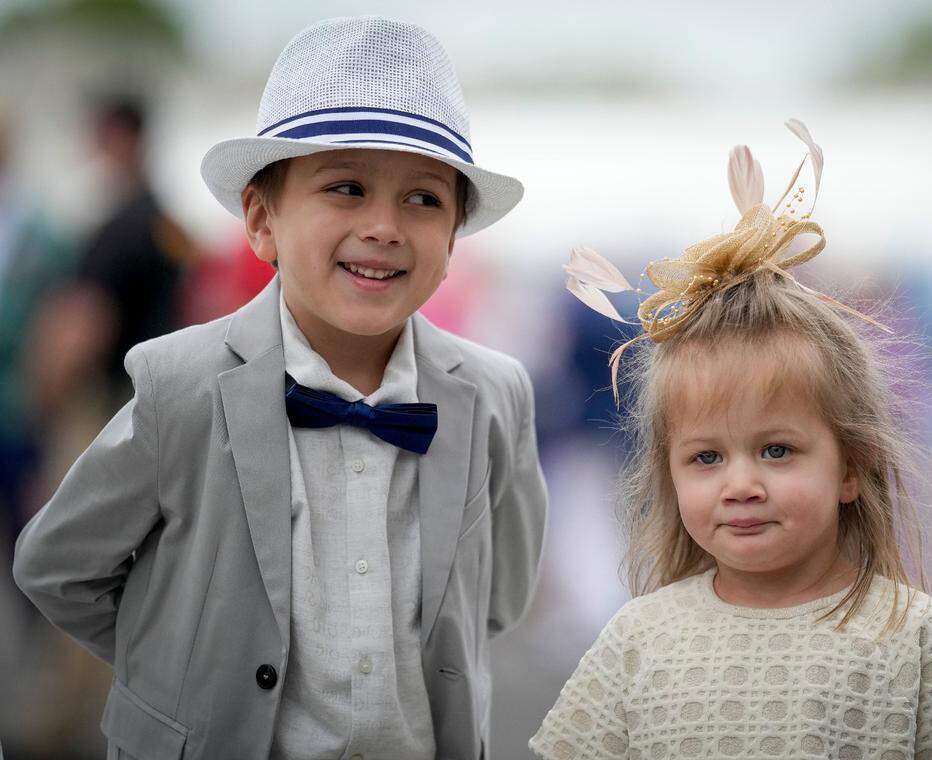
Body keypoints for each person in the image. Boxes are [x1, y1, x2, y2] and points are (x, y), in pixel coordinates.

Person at [14, 17, 547, 760]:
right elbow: (59, 565)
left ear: (455, 235)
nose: (384, 226)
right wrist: (185, 672)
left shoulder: (495, 394)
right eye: (346, 188)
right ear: (262, 221)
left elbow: (500, 595)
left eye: (423, 199)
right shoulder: (184, 384)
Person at [532, 123, 932, 758]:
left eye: (776, 450)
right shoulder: (638, 638)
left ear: (851, 465)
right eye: (706, 457)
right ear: (668, 474)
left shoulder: (912, 635)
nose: (741, 484)